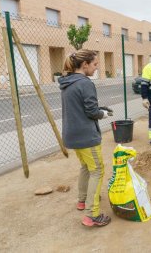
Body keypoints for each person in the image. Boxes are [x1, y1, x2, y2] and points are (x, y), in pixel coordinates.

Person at [59, 49, 111, 227]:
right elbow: (90, 111)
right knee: (97, 170)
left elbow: (80, 107)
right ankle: (92, 214)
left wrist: (99, 108)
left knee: (86, 167)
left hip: (72, 135)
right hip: (86, 136)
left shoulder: (67, 82)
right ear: (85, 64)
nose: (96, 68)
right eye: (95, 64)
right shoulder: (85, 83)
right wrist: (102, 114)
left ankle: (82, 201)